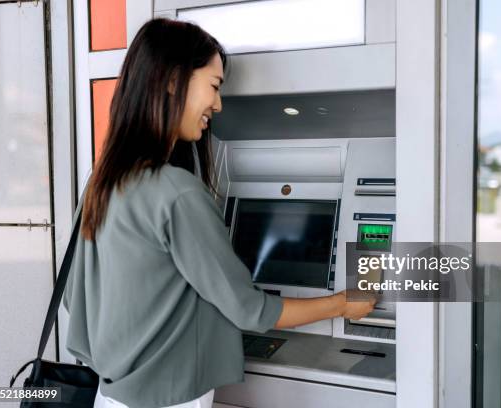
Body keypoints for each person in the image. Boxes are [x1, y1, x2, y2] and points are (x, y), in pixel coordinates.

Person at [62, 19, 375, 408]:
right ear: (174, 81)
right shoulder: (176, 192)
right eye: (213, 85)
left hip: (110, 395)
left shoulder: (101, 181)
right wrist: (344, 304)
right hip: (170, 399)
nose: (219, 104)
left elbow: (76, 301)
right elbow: (251, 309)